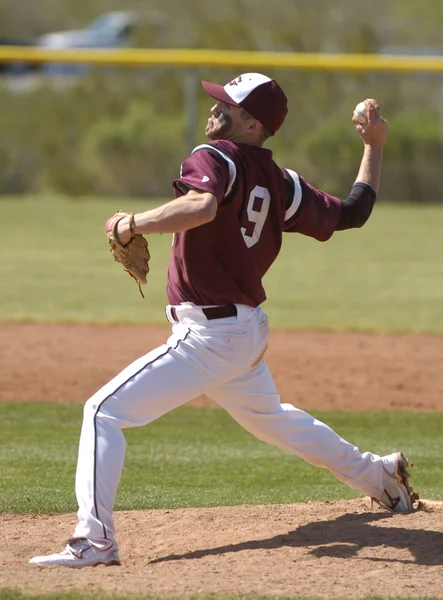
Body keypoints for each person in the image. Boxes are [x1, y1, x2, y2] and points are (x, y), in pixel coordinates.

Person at [30, 72, 417, 568]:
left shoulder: (212, 157)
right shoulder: (284, 184)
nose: (216, 109)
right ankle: (380, 476)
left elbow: (203, 204)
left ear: (253, 124)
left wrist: (131, 222)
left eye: (228, 106)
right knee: (274, 420)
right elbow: (353, 212)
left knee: (103, 412)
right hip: (244, 331)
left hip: (210, 335)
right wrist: (374, 145)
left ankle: (94, 541)